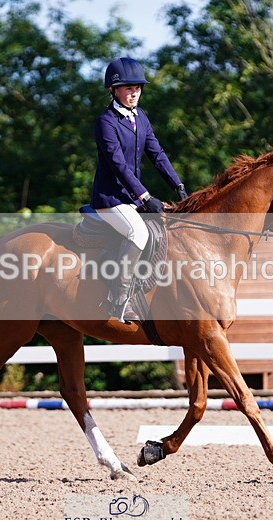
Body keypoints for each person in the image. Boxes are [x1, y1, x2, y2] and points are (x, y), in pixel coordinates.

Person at [91, 57, 188, 323]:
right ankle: (119, 300)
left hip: (131, 198)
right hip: (110, 199)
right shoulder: (106, 121)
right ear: (114, 90)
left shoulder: (140, 117)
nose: (134, 93)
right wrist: (145, 196)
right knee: (138, 232)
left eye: (137, 88)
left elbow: (157, 153)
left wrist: (178, 186)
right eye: (127, 88)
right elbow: (118, 165)